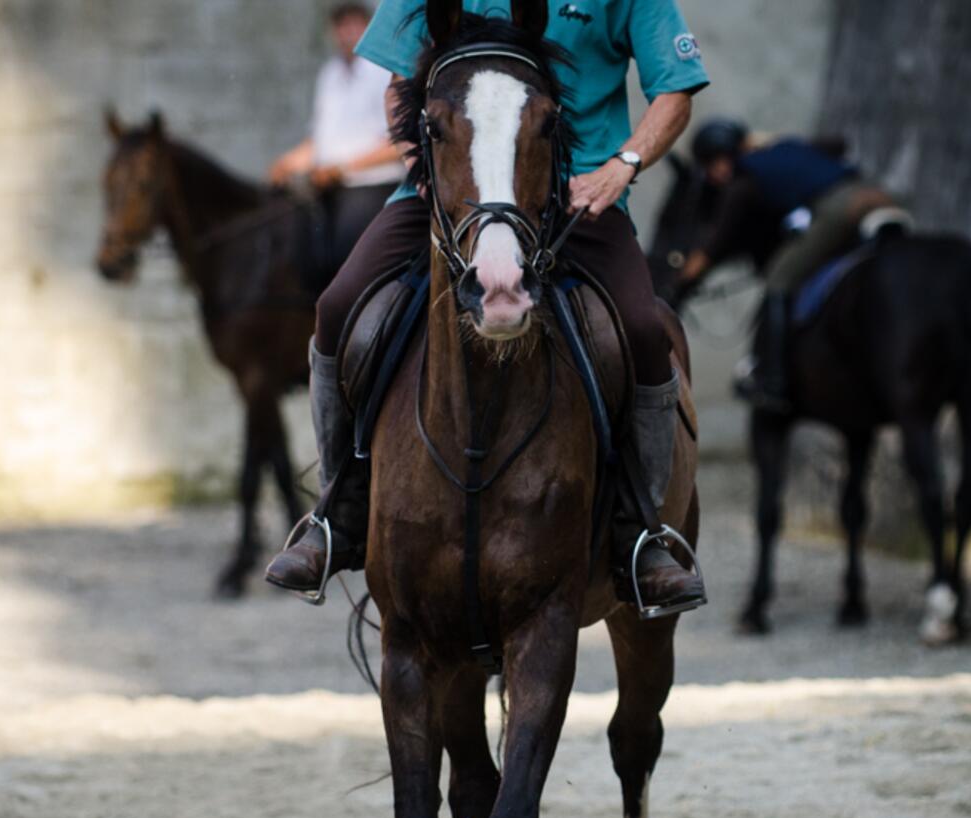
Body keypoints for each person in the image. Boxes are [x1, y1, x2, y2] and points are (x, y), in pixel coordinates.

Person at [266, 0, 711, 615]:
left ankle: (641, 534)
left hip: (578, 195)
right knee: (338, 308)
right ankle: (336, 513)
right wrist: (422, 165)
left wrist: (622, 165)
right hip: (452, 193)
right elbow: (400, 81)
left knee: (641, 330)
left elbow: (676, 91)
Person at [677, 119, 895, 412]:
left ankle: (774, 379)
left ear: (721, 159)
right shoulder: (786, 148)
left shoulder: (743, 182)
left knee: (780, 275)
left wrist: (680, 282)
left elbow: (712, 246)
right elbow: (837, 143)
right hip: (878, 195)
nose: (714, 176)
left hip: (841, 208)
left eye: (711, 166)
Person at [269, 4, 404, 276]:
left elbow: (400, 141)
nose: (347, 34)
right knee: (283, 227)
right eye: (341, 26)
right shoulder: (330, 73)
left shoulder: (385, 73)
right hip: (330, 185)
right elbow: (321, 140)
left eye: (354, 25)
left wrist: (342, 169)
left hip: (374, 185)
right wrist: (288, 163)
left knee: (345, 246)